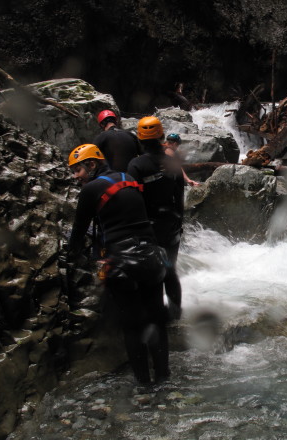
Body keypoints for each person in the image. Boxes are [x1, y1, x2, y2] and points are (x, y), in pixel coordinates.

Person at [66, 143, 177, 384]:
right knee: (156, 319)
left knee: (132, 325)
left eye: (78, 171)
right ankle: (163, 376)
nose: (76, 177)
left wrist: (70, 257)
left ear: (92, 164)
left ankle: (144, 385)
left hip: (122, 263)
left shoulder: (91, 189)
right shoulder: (129, 177)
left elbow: (78, 231)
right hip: (152, 257)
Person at [127, 117, 185, 269]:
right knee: (169, 270)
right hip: (171, 223)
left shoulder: (136, 165)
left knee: (150, 274)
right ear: (161, 136)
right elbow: (179, 194)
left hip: (147, 226)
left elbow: (133, 200)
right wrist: (180, 221)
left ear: (140, 139)